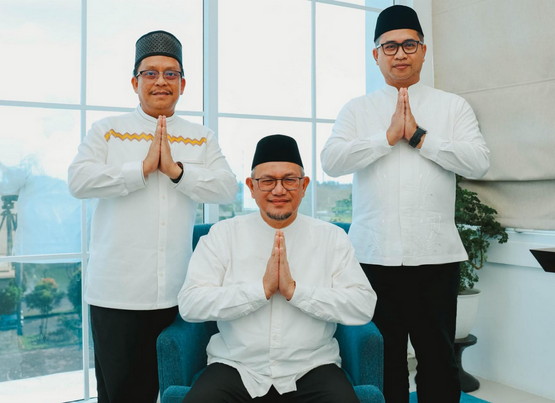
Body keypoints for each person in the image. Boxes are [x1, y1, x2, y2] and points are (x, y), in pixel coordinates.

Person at [321, 5, 490, 403]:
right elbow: (332, 161)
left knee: (438, 358)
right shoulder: (357, 109)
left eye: (409, 44)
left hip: (436, 255)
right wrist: (386, 137)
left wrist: (418, 137)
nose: (400, 54)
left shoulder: (453, 107)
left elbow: (478, 162)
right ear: (376, 54)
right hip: (373, 255)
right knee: (384, 359)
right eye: (390, 46)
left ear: (423, 51)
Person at [68, 30, 237, 403]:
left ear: (182, 84)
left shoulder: (200, 137)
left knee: (177, 390)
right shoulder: (107, 131)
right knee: (122, 394)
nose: (161, 81)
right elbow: (78, 181)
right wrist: (140, 169)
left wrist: (177, 172)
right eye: (150, 73)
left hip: (177, 293)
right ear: (135, 82)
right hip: (116, 293)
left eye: (170, 73)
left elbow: (227, 187)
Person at [178, 134, 377, 402]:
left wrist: (296, 292)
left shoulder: (332, 238)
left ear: (304, 185)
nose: (279, 190)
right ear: (251, 186)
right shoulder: (222, 236)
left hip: (313, 366)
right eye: (268, 181)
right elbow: (190, 304)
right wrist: (260, 291)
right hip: (236, 366)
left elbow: (363, 305)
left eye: (289, 180)